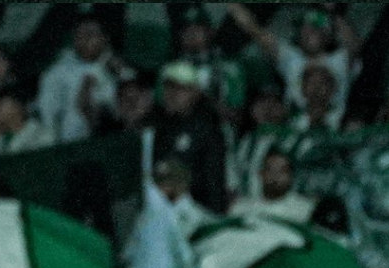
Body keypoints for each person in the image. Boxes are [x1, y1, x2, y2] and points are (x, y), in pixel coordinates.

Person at [228, 3, 359, 124]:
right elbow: (253, 29)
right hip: (294, 130)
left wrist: (330, 12)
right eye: (306, 29)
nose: (310, 33)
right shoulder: (291, 58)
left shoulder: (340, 60)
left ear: (328, 35)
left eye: (316, 28)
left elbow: (353, 42)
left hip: (334, 128)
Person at [152, 62, 229, 212]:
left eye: (181, 89)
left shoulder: (207, 129)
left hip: (194, 212)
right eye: (169, 87)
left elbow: (213, 181)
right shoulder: (156, 126)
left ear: (195, 93)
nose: (173, 94)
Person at [35, 18, 125, 143]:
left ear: (104, 38)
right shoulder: (57, 72)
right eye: (79, 35)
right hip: (71, 141)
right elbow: (47, 112)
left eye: (90, 34)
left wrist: (120, 73)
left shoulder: (117, 66)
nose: (84, 40)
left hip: (113, 136)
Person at [231, 150, 316, 223]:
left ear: (291, 176)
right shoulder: (241, 208)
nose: (275, 176)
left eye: (282, 171)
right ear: (261, 174)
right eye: (270, 170)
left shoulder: (306, 210)